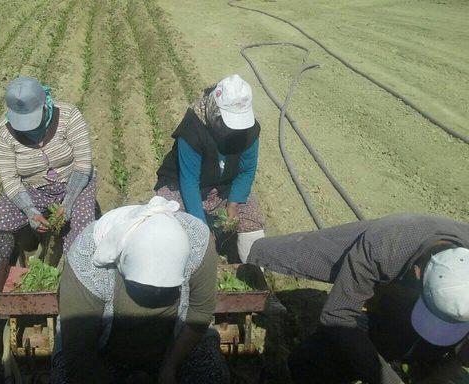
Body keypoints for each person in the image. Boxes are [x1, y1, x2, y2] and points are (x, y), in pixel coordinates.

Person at [246, 213, 469, 384]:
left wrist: (447, 368)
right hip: (392, 296)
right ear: (418, 274)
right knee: (309, 363)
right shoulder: (386, 244)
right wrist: (386, 378)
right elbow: (338, 315)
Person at [50, 196, 229, 384]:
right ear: (123, 262)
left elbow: (199, 313)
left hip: (175, 346)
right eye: (146, 288)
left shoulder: (198, 243)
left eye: (166, 289)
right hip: (102, 352)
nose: (158, 294)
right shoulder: (88, 259)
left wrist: (170, 368)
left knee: (211, 374)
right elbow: (80, 354)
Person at [0, 76, 95, 291]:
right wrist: (30, 211)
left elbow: (83, 165)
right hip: (32, 188)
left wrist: (68, 203)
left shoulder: (69, 116)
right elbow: (9, 179)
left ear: (45, 103)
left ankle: (79, 288)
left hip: (74, 182)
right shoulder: (3, 132)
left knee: (82, 228)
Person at [155, 74, 264, 263]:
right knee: (168, 220)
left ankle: (253, 273)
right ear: (215, 110)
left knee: (252, 221)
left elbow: (247, 171)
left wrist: (233, 203)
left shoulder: (250, 131)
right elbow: (189, 181)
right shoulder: (193, 129)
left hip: (223, 187)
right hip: (182, 186)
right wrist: (202, 228)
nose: (233, 131)